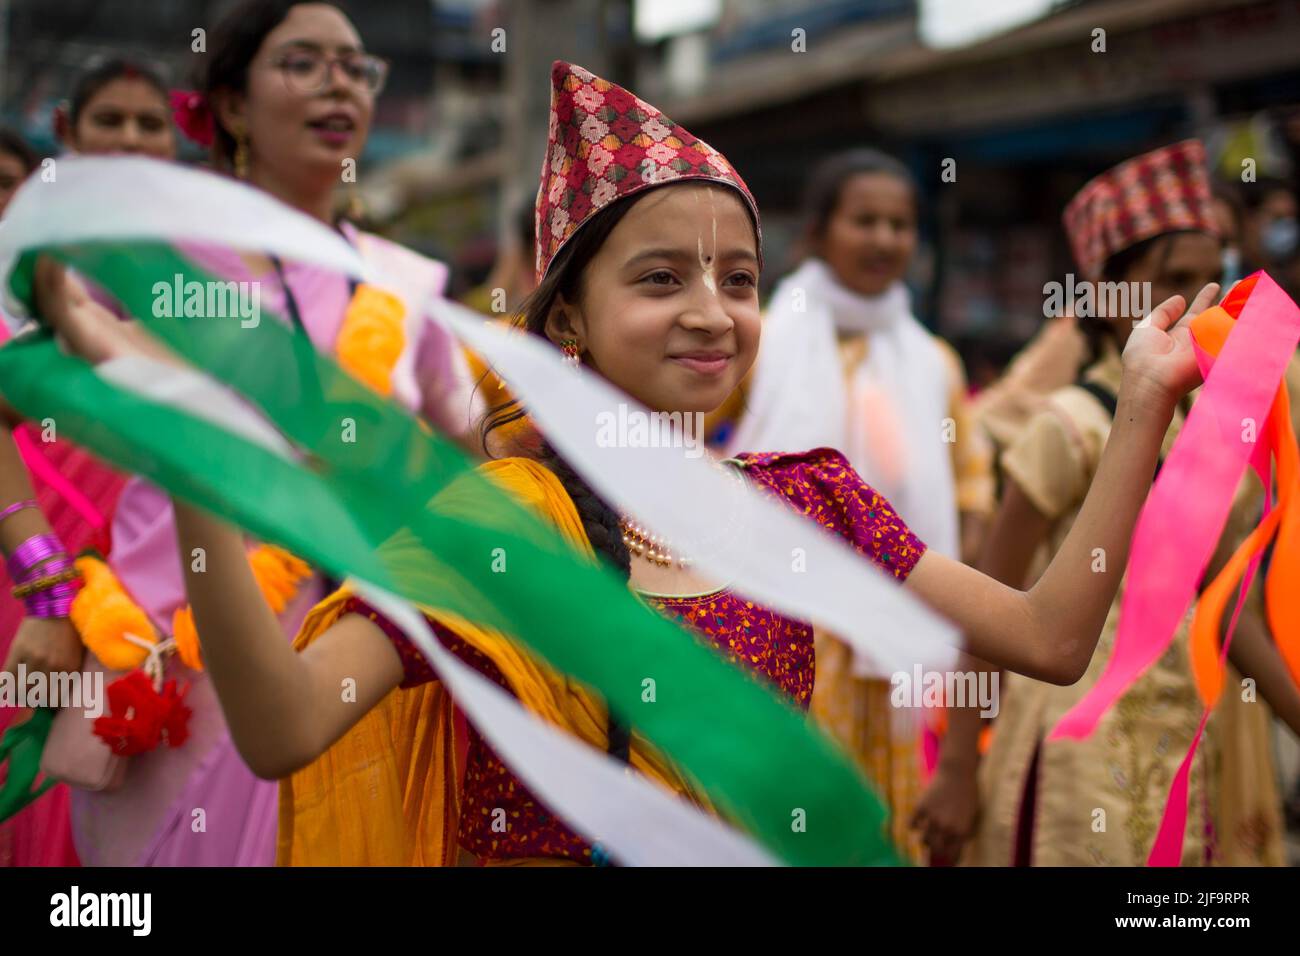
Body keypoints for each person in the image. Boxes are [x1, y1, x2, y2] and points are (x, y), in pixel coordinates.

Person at [31, 61, 1222, 866]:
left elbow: (1054, 638)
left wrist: (1141, 410)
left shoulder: (809, 501)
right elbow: (287, 725)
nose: (713, 311)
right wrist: (195, 471)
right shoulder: (491, 529)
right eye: (660, 278)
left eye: (739, 279)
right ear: (565, 324)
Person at [0, 0, 476, 866]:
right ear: (228, 106)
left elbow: (478, 458)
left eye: (355, 67)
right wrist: (42, 583)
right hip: (160, 678)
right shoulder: (148, 259)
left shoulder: (404, 286)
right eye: (303, 62)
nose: (340, 82)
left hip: (346, 681)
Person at [914, 140, 1300, 866]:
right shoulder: (1072, 425)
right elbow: (990, 614)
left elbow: (1228, 608)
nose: (1199, 301)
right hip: (1074, 755)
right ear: (1105, 294)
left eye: (1211, 276)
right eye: (1171, 280)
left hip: (1189, 731)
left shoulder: (1213, 425)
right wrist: (960, 768)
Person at [724, 149, 996, 860]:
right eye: (864, 221)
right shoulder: (760, 340)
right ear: (818, 232)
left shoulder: (933, 360)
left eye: (900, 225)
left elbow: (970, 485)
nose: (884, 240)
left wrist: (947, 603)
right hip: (786, 626)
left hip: (902, 630)